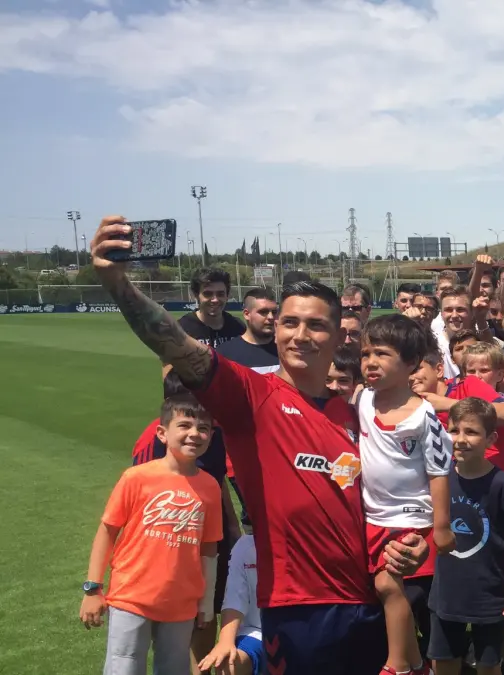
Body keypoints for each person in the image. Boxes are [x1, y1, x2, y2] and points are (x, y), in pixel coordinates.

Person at [90, 216, 431, 675]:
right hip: (296, 609)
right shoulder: (252, 397)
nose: (300, 335)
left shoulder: (355, 413)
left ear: (338, 336)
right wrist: (118, 285)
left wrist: (411, 546)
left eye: (316, 325)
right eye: (289, 322)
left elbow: (392, 497)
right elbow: (174, 344)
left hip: (368, 601)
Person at [80, 394, 223, 675]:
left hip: (181, 603)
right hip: (131, 597)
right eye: (184, 425)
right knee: (124, 667)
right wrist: (93, 588)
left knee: (173, 668)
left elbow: (209, 548)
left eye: (203, 428)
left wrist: (206, 603)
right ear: (162, 433)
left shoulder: (210, 487)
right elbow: (107, 531)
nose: (195, 434)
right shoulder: (137, 477)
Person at [359, 314, 454, 675]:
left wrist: (441, 527)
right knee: (385, 589)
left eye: (382, 354)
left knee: (388, 584)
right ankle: (417, 665)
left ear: (412, 362)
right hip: (372, 517)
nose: (370, 362)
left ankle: (397, 665)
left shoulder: (424, 416)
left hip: (411, 518)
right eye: (366, 353)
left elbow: (439, 473)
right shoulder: (362, 401)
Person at [430, 398, 504, 675]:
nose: (461, 439)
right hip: (446, 595)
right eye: (454, 430)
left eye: (471, 432)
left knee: (489, 667)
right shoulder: (440, 478)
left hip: (489, 597)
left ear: (491, 439)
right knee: (444, 664)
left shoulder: (501, 483)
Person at [198, 533, 264, 675]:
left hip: (298, 630)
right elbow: (234, 600)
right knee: (227, 663)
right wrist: (225, 641)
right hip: (256, 631)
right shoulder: (245, 546)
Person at [216, 287, 279, 373]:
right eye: (263, 312)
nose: (271, 317)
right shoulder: (225, 354)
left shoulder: (286, 349)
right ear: (246, 314)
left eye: (274, 312)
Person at [179, 267, 245, 348]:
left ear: (227, 296)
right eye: (208, 294)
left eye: (220, 294)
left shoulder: (238, 327)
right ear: (196, 295)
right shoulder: (182, 328)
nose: (215, 300)